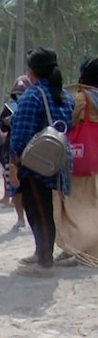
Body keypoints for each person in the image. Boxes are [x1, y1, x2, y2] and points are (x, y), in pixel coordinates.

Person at [9, 47, 75, 277]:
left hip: (34, 162)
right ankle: (41, 253)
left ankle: (45, 261)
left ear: (32, 71)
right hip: (56, 159)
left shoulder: (33, 95)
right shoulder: (65, 96)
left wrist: (14, 162)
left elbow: (22, 131)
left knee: (38, 211)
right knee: (44, 208)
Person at [54, 57, 98, 266]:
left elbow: (66, 122)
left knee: (79, 207)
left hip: (84, 161)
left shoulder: (81, 99)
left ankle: (82, 251)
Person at [0, 75, 30, 229]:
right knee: (15, 185)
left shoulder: (33, 105)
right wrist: (6, 122)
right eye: (18, 93)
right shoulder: (8, 107)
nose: (20, 96)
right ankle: (20, 218)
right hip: (13, 151)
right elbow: (0, 127)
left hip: (32, 152)